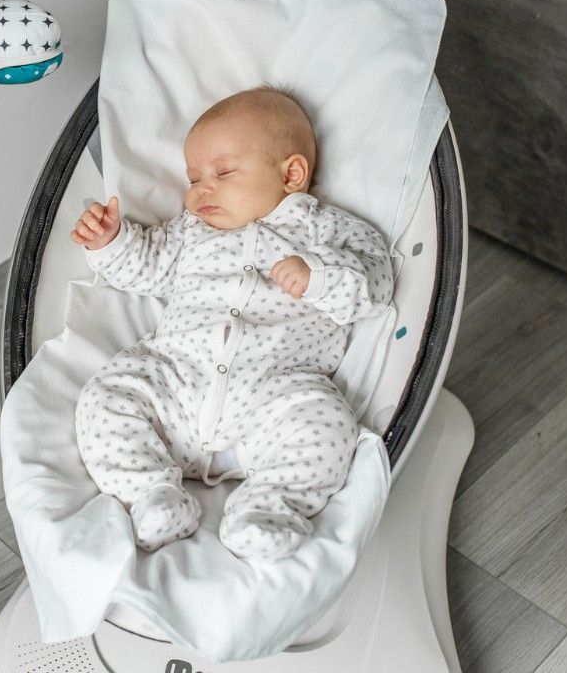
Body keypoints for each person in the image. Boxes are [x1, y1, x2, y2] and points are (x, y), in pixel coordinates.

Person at [71, 85, 393, 562]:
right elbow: (146, 266)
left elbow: (375, 281)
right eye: (194, 176)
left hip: (274, 394)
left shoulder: (325, 230)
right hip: (177, 382)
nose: (201, 189)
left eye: (222, 172)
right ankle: (151, 495)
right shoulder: (190, 232)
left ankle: (267, 507)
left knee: (325, 423)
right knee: (107, 397)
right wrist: (110, 242)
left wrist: (318, 277)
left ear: (291, 174)